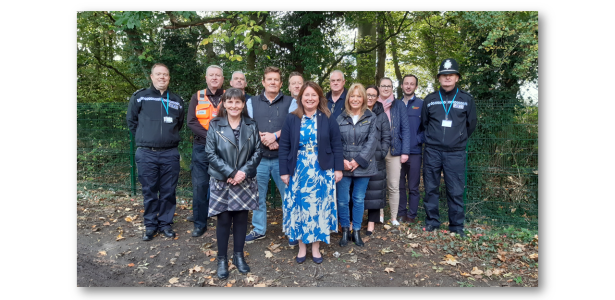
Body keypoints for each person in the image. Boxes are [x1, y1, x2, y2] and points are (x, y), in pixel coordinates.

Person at [279, 81, 344, 263]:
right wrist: (284, 171)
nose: (310, 98)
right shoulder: (291, 118)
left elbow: (337, 145)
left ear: (319, 98)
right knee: (300, 207)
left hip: (321, 170)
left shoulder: (327, 117)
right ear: (301, 98)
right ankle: (301, 247)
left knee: (318, 209)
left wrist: (338, 168)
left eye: (313, 95)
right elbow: (284, 146)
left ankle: (315, 247)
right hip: (298, 170)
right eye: (306, 95)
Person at [205, 88, 262, 279]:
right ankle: (222, 259)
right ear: (224, 103)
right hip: (223, 179)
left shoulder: (252, 125)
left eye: (238, 102)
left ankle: (238, 256)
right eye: (230, 102)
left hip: (244, 180)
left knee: (240, 219)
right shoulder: (215, 125)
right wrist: (230, 172)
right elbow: (210, 153)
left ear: (243, 104)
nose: (234, 106)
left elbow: (257, 152)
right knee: (223, 220)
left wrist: (242, 173)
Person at [126, 63, 185, 241]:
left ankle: (165, 224)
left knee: (168, 190)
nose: (162, 77)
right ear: (151, 77)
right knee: (149, 191)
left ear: (169, 78)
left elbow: (179, 124)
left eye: (165, 75)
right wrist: (147, 138)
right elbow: (132, 121)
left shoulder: (176, 100)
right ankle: (150, 225)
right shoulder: (140, 97)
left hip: (170, 153)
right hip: (146, 153)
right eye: (158, 74)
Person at [421, 58, 477, 237]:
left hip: (455, 152)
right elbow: (424, 123)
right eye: (444, 75)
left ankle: (456, 226)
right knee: (430, 188)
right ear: (439, 78)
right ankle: (432, 222)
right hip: (432, 151)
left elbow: (471, 124)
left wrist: (458, 139)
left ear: (457, 78)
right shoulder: (429, 100)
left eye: (451, 75)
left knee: (455, 190)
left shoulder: (466, 99)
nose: (447, 78)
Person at [245, 67, 296, 244]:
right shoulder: (251, 102)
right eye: (269, 79)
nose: (273, 82)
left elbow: (294, 126)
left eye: (276, 79)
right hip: (259, 159)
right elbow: (247, 126)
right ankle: (259, 229)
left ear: (281, 84)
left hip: (283, 159)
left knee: (288, 196)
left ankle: (291, 229)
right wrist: (266, 139)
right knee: (258, 196)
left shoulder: (291, 102)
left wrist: (275, 136)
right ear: (263, 82)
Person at [336, 83, 378, 247]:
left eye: (358, 96)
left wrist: (357, 161)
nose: (355, 99)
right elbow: (335, 142)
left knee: (359, 199)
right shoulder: (340, 118)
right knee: (342, 200)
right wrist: (342, 162)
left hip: (363, 165)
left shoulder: (371, 117)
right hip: (344, 165)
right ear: (348, 99)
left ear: (363, 99)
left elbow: (372, 142)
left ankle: (357, 231)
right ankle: (345, 230)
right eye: (352, 96)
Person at [186, 65, 224, 237]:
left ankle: (225, 223)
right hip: (202, 148)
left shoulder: (229, 96)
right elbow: (192, 122)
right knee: (200, 186)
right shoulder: (197, 96)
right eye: (211, 75)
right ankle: (200, 223)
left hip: (224, 148)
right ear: (206, 78)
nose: (214, 78)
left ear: (222, 79)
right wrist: (211, 136)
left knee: (224, 186)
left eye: (218, 75)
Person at [378, 77, 410, 226]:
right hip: (377, 151)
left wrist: (405, 152)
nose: (386, 88)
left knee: (393, 184)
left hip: (395, 150)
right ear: (379, 88)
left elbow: (406, 129)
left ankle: (393, 217)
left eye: (389, 86)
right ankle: (379, 215)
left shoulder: (399, 105)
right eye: (383, 86)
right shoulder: (373, 104)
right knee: (378, 184)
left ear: (392, 88)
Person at [363, 85, 391, 235]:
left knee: (375, 191)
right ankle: (355, 221)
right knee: (359, 191)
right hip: (360, 158)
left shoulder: (382, 115)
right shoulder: (357, 111)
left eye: (374, 95)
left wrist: (382, 152)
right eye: (368, 94)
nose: (370, 98)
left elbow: (387, 136)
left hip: (376, 158)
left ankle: (371, 223)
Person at [398, 75, 424, 224]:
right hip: (397, 152)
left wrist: (417, 140)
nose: (408, 86)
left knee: (413, 186)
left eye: (411, 84)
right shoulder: (395, 104)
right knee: (399, 185)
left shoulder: (421, 104)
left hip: (414, 152)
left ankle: (412, 216)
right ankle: (401, 214)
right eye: (406, 83)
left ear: (416, 87)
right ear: (401, 86)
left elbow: (427, 128)